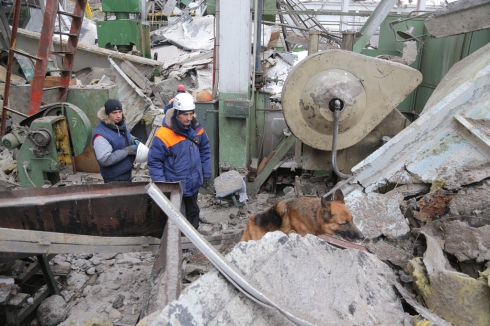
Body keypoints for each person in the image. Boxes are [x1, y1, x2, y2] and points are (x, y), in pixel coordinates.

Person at [148, 92, 211, 230]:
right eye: (185, 114)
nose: (189, 118)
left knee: (193, 212)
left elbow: (205, 150)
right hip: (175, 186)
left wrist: (206, 173)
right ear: (177, 114)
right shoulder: (164, 135)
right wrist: (162, 185)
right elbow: (154, 162)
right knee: (177, 217)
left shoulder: (197, 128)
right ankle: (180, 245)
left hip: (193, 182)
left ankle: (193, 242)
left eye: (191, 114)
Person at [92, 99, 139, 183]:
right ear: (107, 114)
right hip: (114, 178)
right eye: (114, 113)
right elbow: (105, 160)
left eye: (120, 112)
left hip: (126, 173)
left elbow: (125, 135)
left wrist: (133, 140)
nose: (118, 116)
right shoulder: (101, 135)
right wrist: (127, 151)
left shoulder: (120, 123)